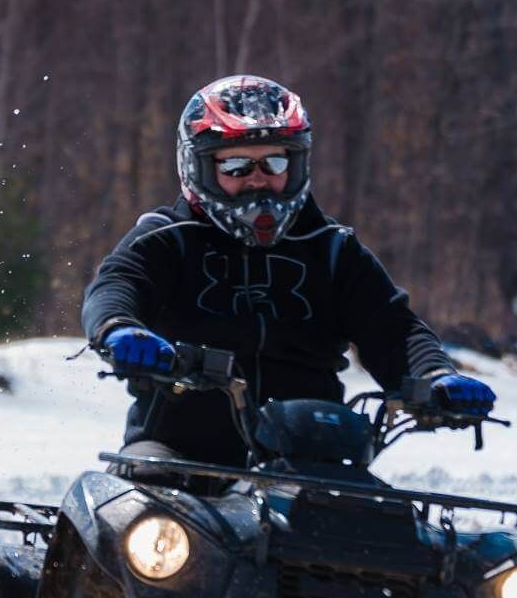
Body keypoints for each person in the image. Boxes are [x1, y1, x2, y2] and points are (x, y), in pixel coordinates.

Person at [82, 74, 494, 474]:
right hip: (178, 453)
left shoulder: (333, 249)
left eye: (275, 162)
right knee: (131, 516)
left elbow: (393, 329)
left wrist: (436, 376)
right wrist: (120, 329)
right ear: (199, 167)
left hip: (313, 460)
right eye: (238, 165)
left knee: (388, 534)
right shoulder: (167, 238)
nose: (258, 179)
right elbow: (119, 282)